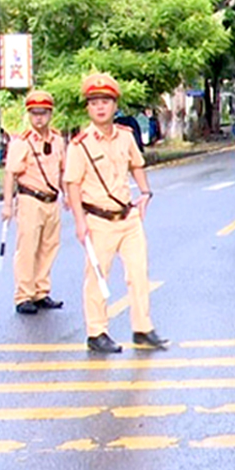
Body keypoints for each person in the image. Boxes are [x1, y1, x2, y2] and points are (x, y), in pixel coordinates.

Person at [65, 73, 169, 354]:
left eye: (106, 102)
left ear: (115, 106)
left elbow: (137, 164)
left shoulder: (125, 136)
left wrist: (145, 193)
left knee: (138, 273)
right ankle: (96, 332)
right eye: (94, 102)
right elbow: (72, 184)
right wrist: (79, 223)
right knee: (99, 277)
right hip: (98, 220)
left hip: (128, 216)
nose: (100, 107)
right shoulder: (80, 145)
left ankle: (143, 328)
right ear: (88, 108)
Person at [2, 90, 66, 315]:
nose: (39, 118)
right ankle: (23, 295)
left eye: (43, 113)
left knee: (49, 247)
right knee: (27, 248)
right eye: (34, 113)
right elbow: (10, 174)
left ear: (50, 114)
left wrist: (67, 196)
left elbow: (63, 170)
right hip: (30, 199)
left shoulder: (58, 140)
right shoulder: (23, 142)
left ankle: (41, 291)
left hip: (52, 200)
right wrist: (7, 205)